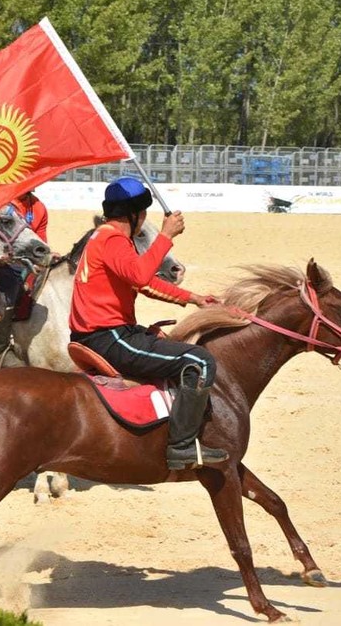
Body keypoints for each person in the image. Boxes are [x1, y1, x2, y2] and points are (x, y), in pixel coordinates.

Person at [69, 176, 227, 470]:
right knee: (201, 361)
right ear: (134, 214)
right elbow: (141, 277)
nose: (144, 219)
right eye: (143, 213)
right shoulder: (113, 240)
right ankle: (181, 446)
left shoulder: (103, 236)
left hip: (103, 334)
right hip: (109, 338)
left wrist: (193, 298)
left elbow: (142, 283)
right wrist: (165, 236)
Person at [0, 191, 50, 367]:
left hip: (21, 260)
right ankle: (0, 349)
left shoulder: (38, 207)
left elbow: (40, 240)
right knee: (8, 282)